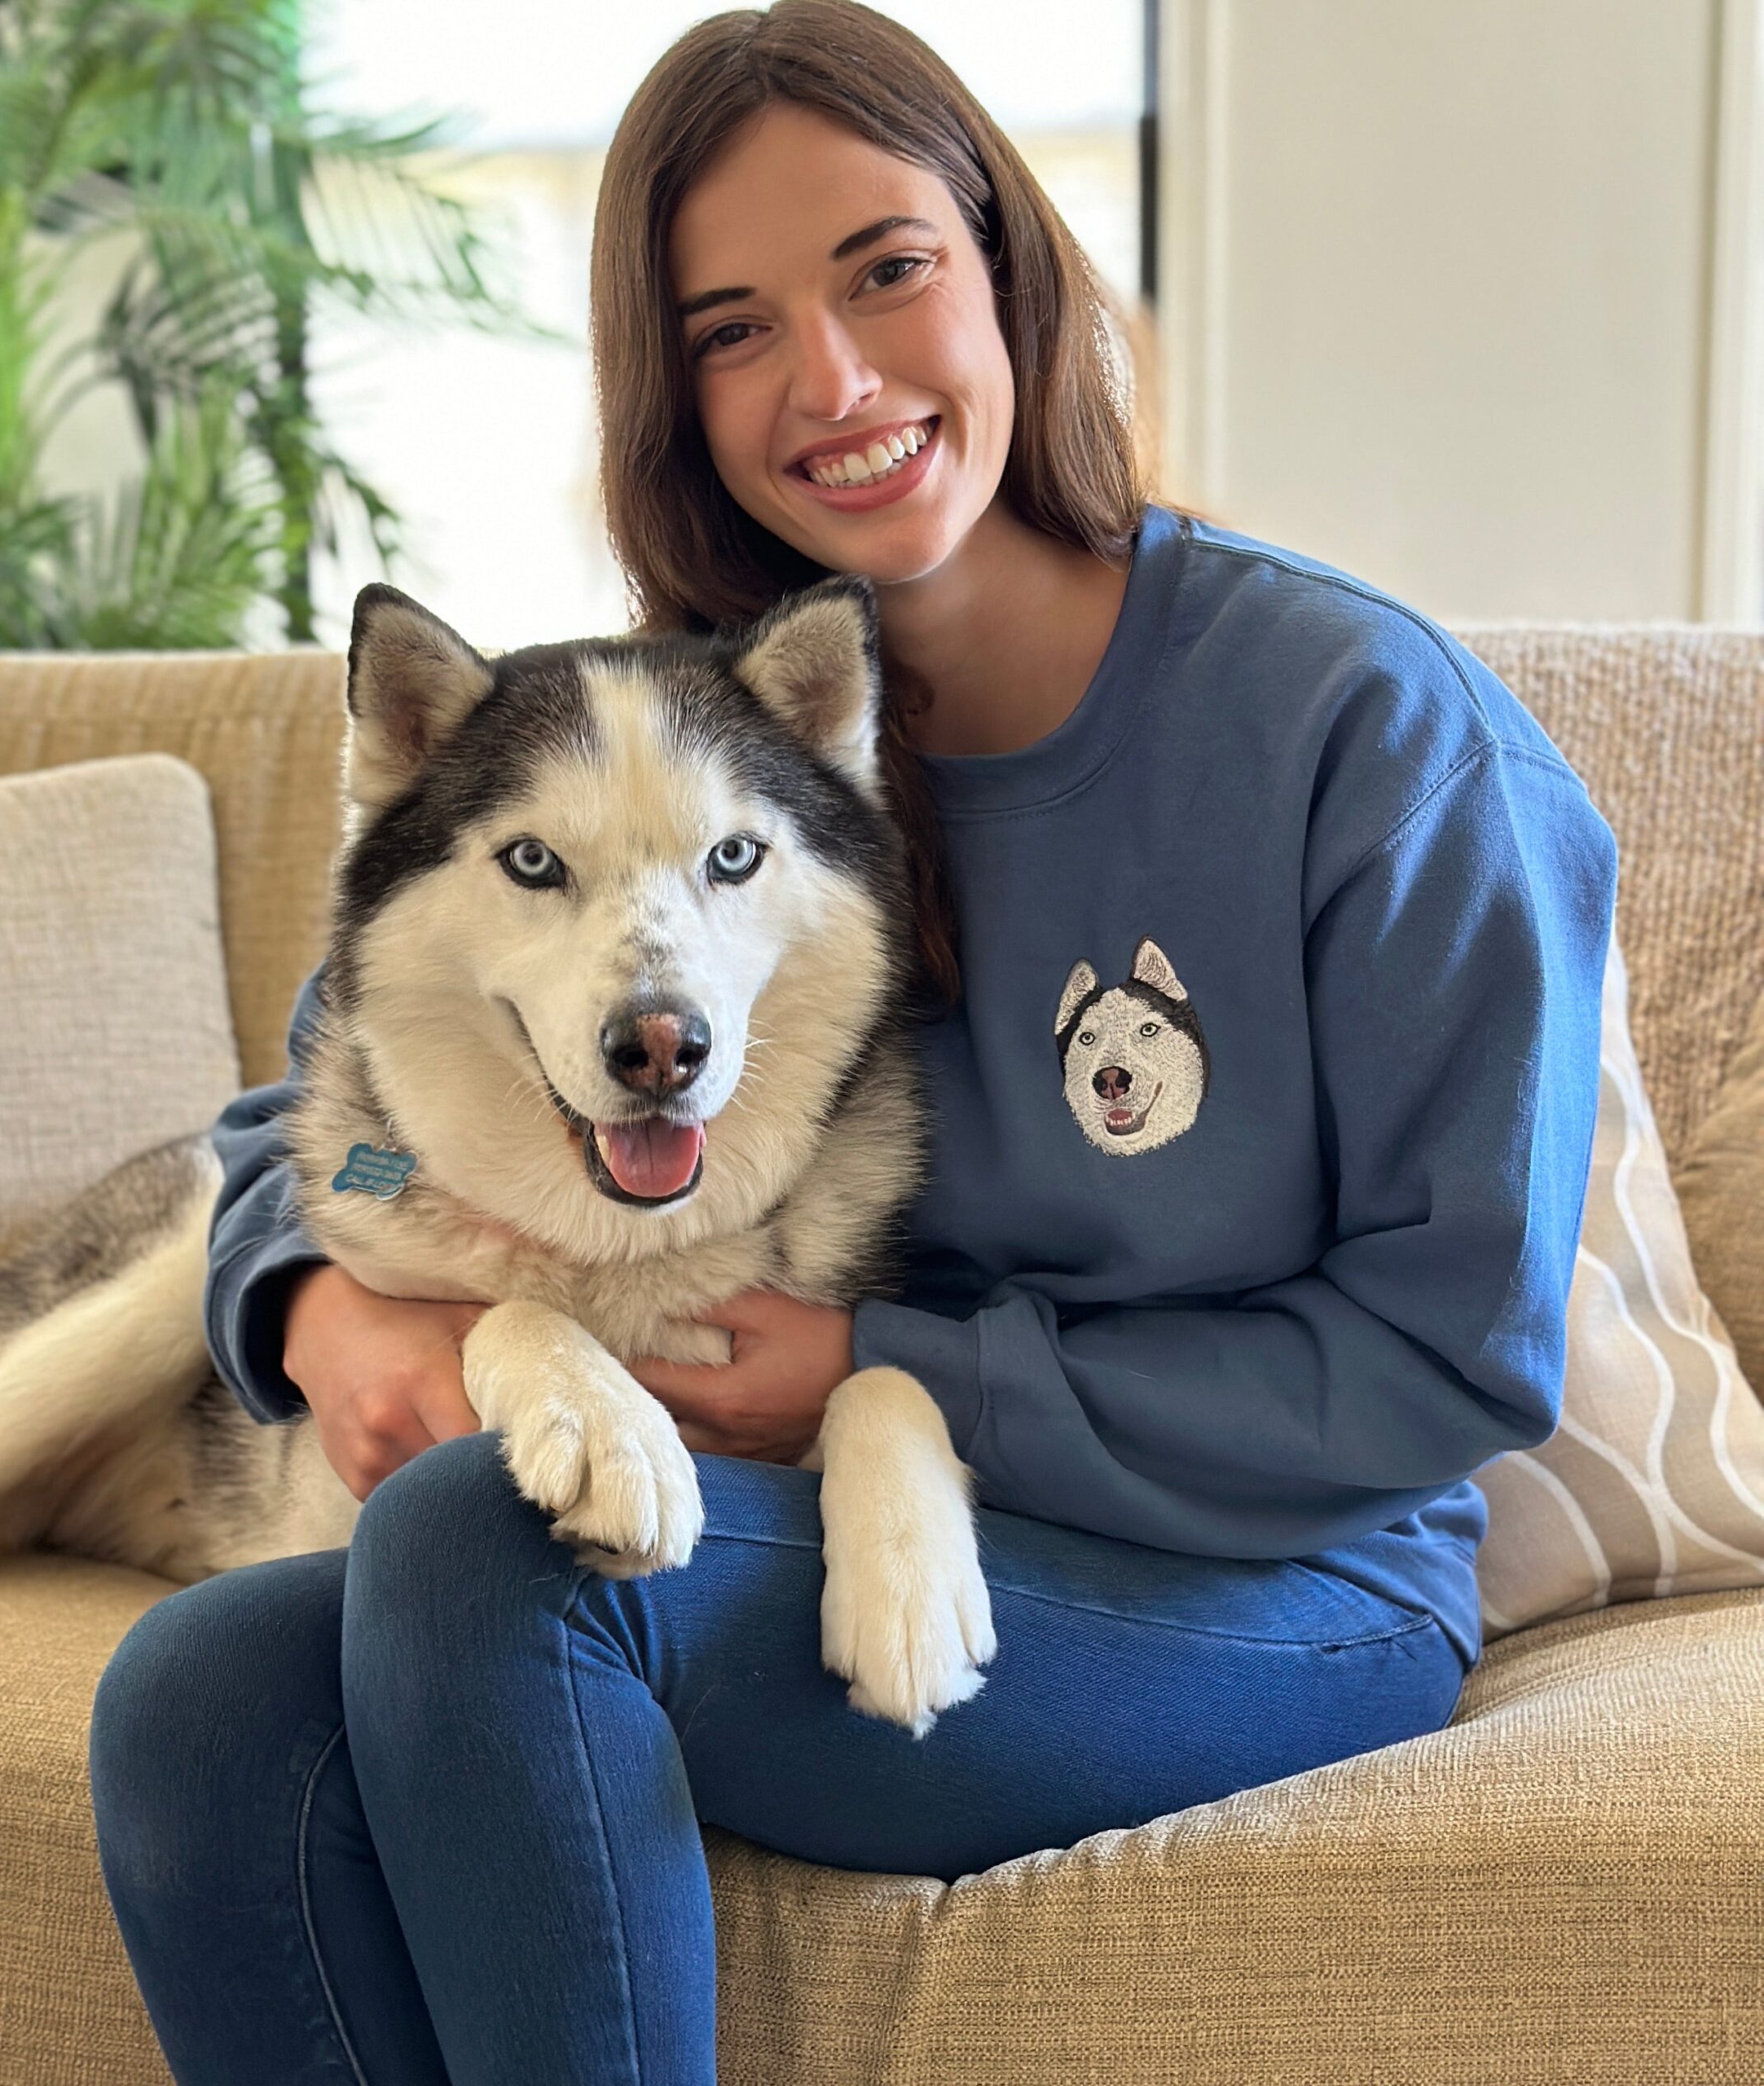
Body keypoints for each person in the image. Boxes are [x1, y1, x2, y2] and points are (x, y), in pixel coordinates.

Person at [87, 5, 1619, 2081]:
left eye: (885, 268)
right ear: (673, 393)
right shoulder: (677, 745)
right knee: (192, 1693)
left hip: (1271, 1574)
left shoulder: (1365, 734)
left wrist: (901, 1372)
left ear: (1005, 261)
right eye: (728, 327)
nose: (828, 380)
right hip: (813, 1502)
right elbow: (335, 1123)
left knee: (493, 1556)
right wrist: (315, 1318)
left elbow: (1451, 1355)